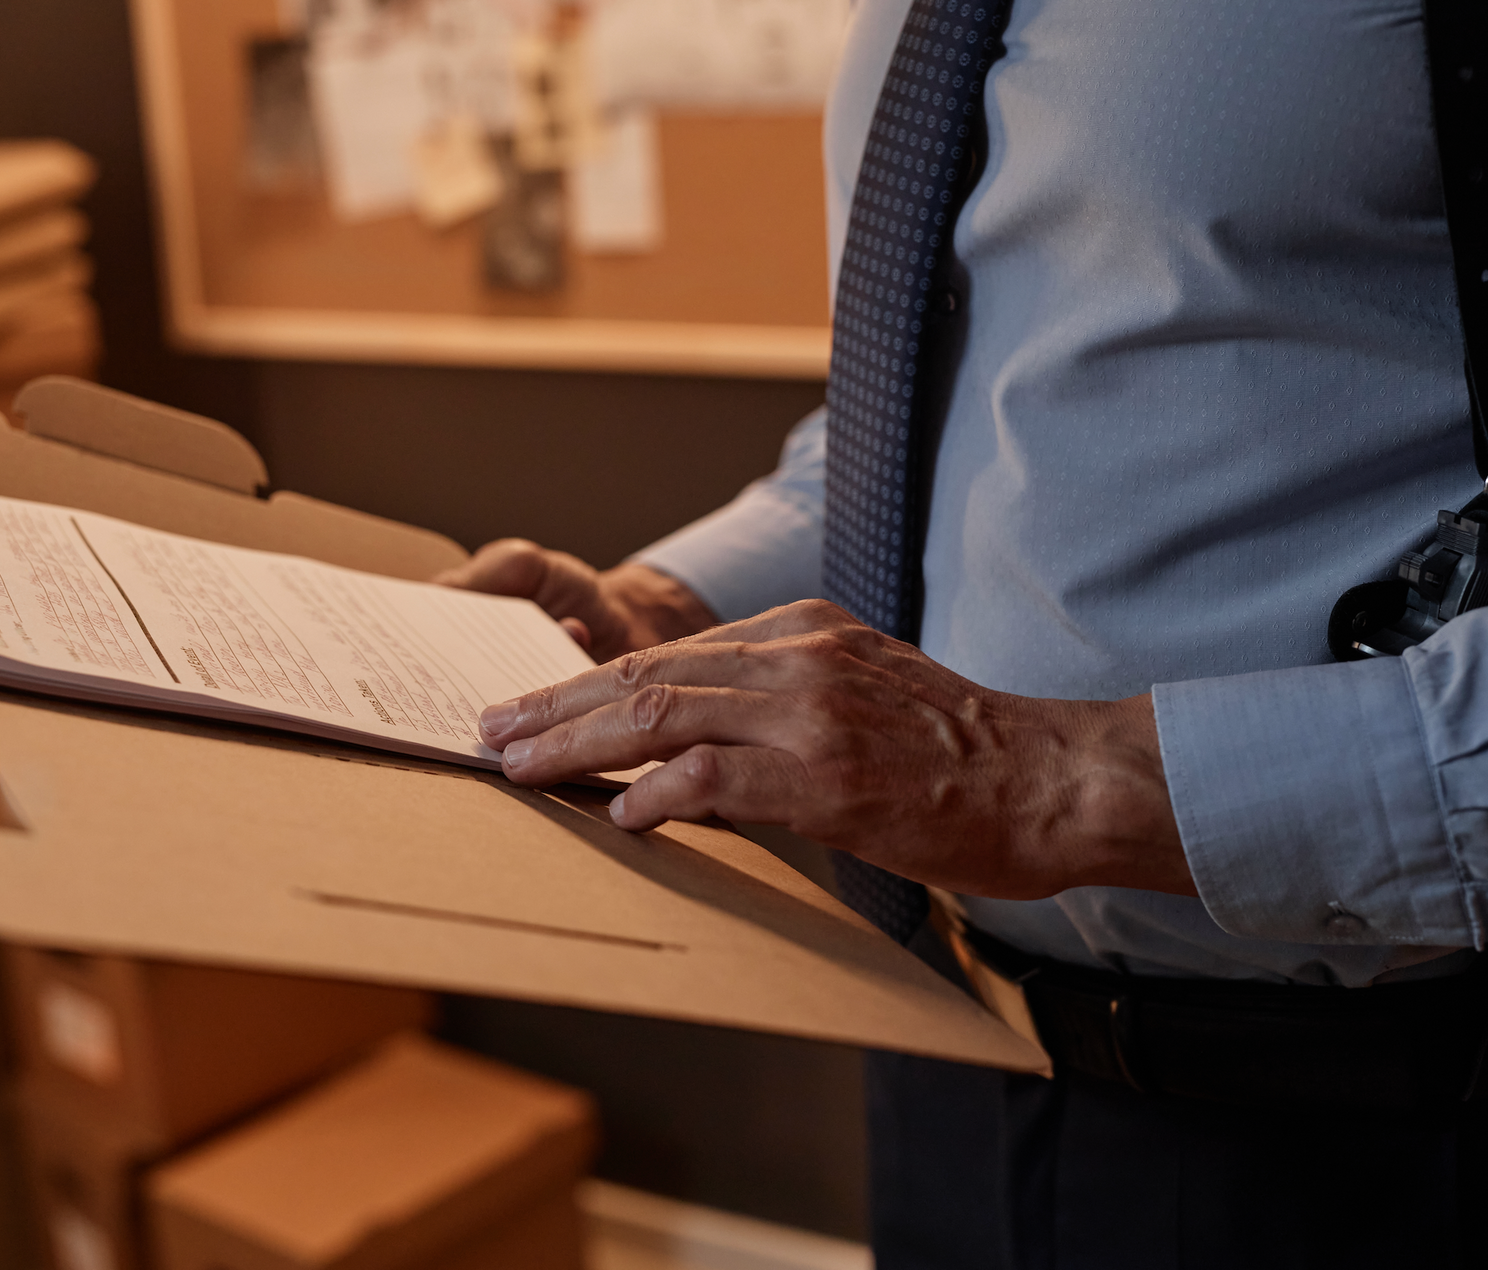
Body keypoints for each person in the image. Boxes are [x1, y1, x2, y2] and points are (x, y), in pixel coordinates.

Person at [438, 0, 1488, 1265]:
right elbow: (929, 420)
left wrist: (1056, 781)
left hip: (1354, 1123)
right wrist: (668, 611)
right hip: (950, 1046)